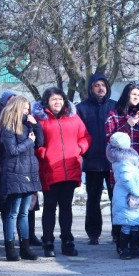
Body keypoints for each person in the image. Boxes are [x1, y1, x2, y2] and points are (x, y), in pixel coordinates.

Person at [33, 87, 91, 257]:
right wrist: (42, 152)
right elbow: (34, 142)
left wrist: (80, 148)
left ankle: (67, 241)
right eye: (53, 99)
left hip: (70, 169)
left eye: (60, 99)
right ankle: (48, 241)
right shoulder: (39, 120)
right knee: (49, 207)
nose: (57, 102)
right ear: (46, 102)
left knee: (66, 207)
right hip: (49, 169)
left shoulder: (73, 117)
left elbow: (85, 137)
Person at [105, 82, 139, 252]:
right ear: (126, 95)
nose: (136, 97)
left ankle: (138, 243)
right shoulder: (114, 114)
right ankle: (122, 244)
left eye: (138, 95)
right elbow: (111, 139)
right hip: (123, 166)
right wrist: (128, 124)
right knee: (123, 205)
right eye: (133, 94)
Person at [0, 96, 44, 261]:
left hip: (30, 172)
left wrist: (36, 125)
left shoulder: (28, 125)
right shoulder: (9, 127)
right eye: (24, 108)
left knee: (24, 213)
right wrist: (29, 142)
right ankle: (10, 249)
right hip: (15, 172)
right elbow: (12, 150)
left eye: (28, 109)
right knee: (13, 213)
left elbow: (40, 142)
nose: (27, 112)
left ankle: (25, 248)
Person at [76, 74, 117, 245]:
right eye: (96, 85)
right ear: (91, 88)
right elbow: (78, 134)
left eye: (103, 85)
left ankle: (118, 232)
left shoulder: (115, 106)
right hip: (92, 161)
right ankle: (93, 233)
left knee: (117, 198)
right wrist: (83, 152)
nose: (100, 88)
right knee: (93, 199)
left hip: (113, 161)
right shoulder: (81, 109)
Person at [106, 132, 139, 260]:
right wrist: (137, 191)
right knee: (127, 224)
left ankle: (134, 248)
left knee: (134, 222)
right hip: (127, 197)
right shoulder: (124, 160)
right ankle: (124, 249)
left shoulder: (122, 158)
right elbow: (127, 179)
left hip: (129, 196)